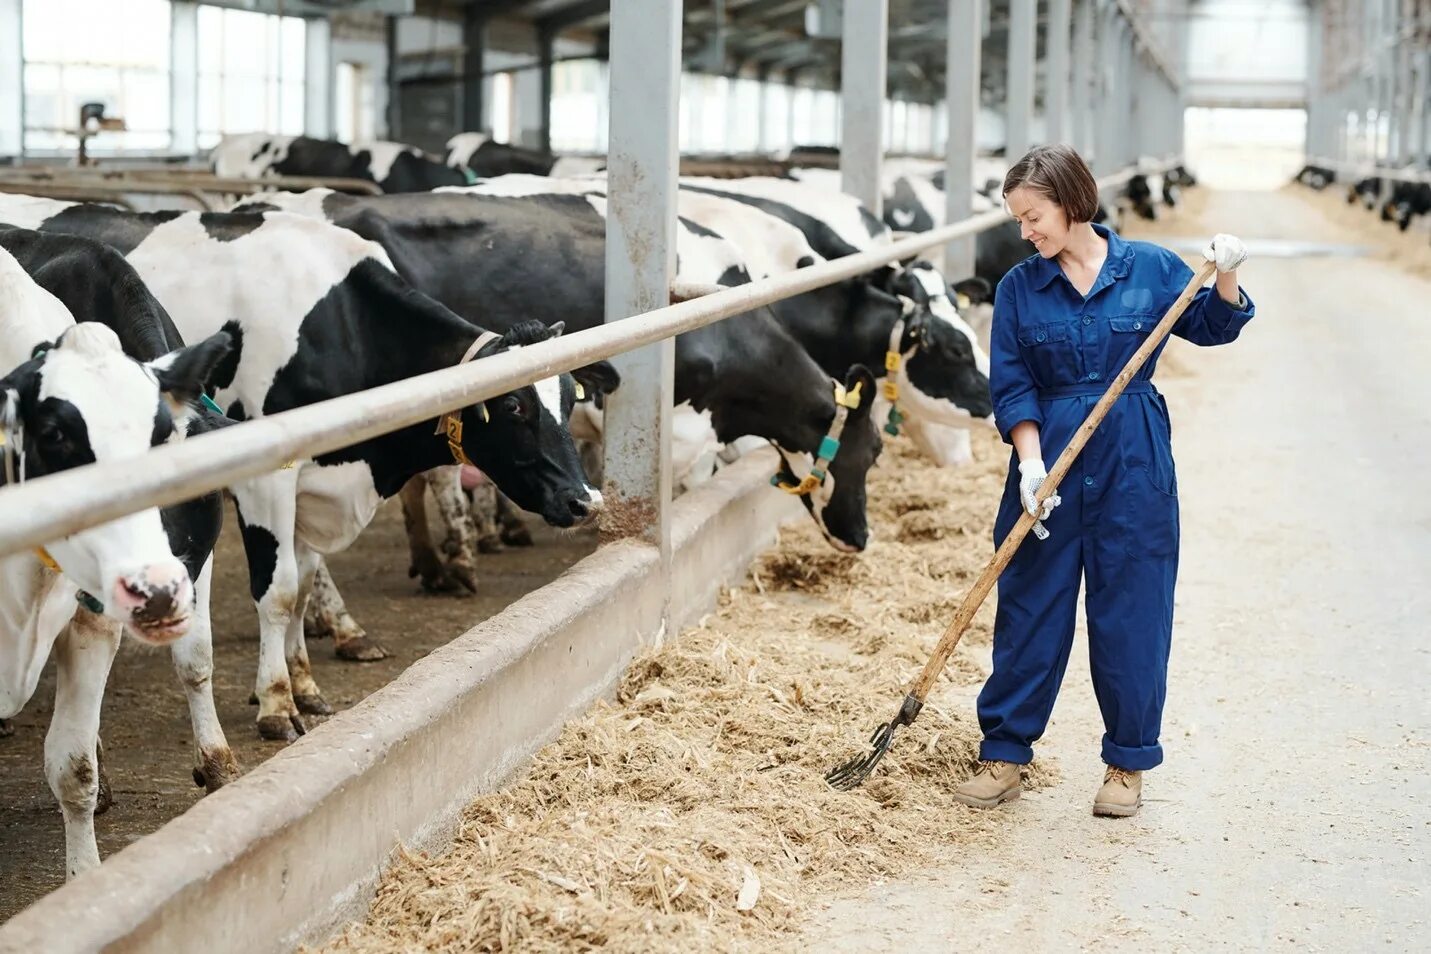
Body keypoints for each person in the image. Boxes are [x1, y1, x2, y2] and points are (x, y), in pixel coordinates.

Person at [951, 144, 1253, 817]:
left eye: (1032, 217)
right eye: (1017, 220)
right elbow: (1011, 384)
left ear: (1070, 202)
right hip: (1049, 458)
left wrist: (1227, 273)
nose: (1025, 232)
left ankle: (1126, 763)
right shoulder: (1018, 288)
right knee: (1029, 606)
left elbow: (1212, 326)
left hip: (1132, 460)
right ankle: (1004, 754)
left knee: (1133, 610)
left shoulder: (1149, 268)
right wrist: (1030, 463)